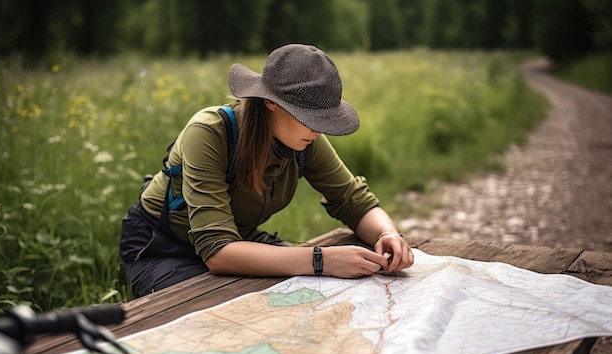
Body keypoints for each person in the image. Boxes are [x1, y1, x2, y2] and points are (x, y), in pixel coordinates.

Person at [119, 43, 414, 297]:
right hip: (163, 247)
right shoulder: (209, 133)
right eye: (309, 117)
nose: (318, 128)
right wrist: (321, 260)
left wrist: (387, 234)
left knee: (305, 295)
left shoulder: (306, 139)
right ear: (271, 103)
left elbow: (354, 202)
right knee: (221, 311)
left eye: (324, 119)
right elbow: (218, 251)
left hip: (239, 241)